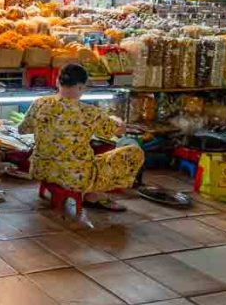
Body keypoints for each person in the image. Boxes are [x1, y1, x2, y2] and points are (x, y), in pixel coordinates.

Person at [18, 64, 144, 211]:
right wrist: (116, 119)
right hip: (75, 177)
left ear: (58, 82)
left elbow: (22, 129)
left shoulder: (40, 103)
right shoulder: (90, 113)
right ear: (81, 87)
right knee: (134, 152)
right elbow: (119, 131)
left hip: (40, 169)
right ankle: (93, 194)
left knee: (85, 156)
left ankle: (91, 194)